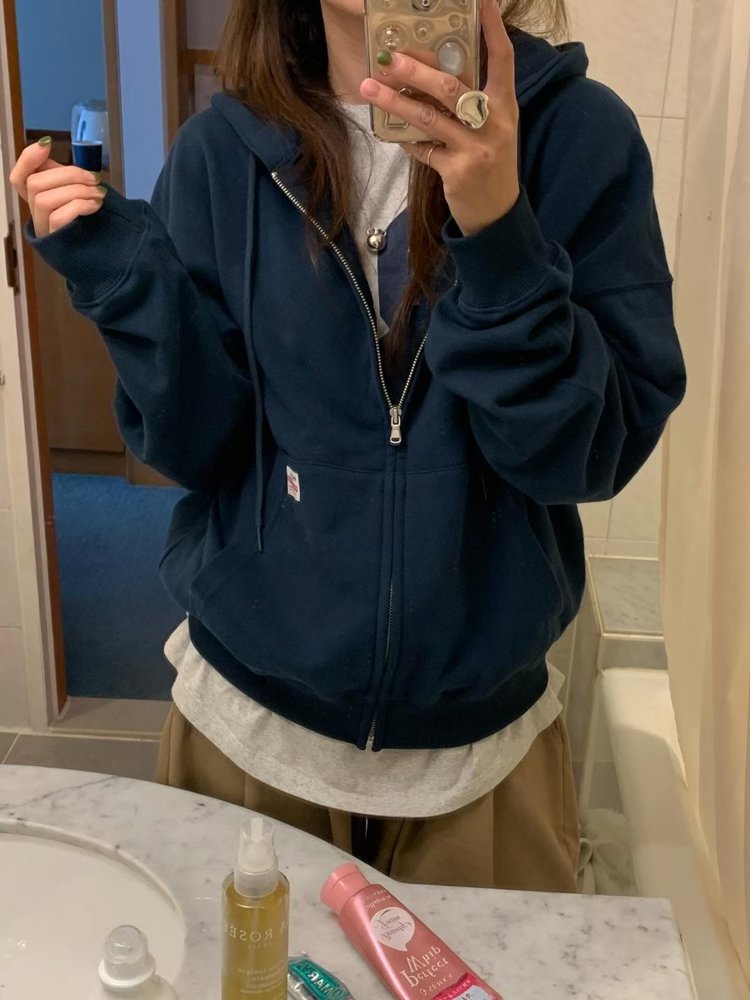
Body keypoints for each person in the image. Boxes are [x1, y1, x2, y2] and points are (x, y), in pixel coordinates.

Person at [11, 0, 686, 894]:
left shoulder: (577, 138)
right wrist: (125, 281)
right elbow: (200, 447)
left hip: (479, 755)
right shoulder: (221, 152)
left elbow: (585, 457)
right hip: (248, 731)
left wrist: (499, 233)